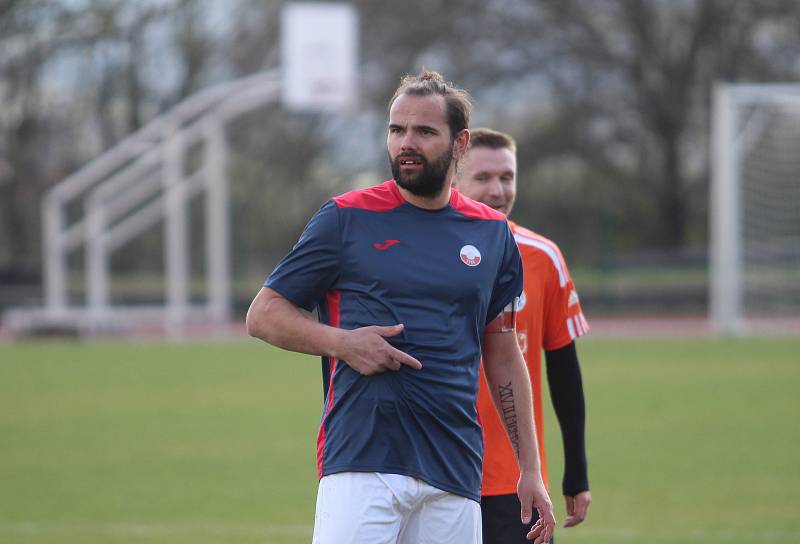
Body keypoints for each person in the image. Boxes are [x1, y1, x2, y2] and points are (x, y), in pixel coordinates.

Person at [246, 71, 556, 544]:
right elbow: (264, 314)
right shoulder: (346, 217)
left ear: (460, 143)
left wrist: (529, 469)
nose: (406, 143)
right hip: (361, 460)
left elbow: (503, 352)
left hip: (454, 469)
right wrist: (342, 344)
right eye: (397, 130)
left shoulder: (492, 234)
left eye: (425, 132)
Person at [454, 128, 591, 544]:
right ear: (454, 178)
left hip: (516, 481)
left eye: (507, 177)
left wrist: (576, 469)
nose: (497, 190)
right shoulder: (424, 254)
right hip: (438, 472)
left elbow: (564, 370)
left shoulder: (543, 256)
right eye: (483, 178)